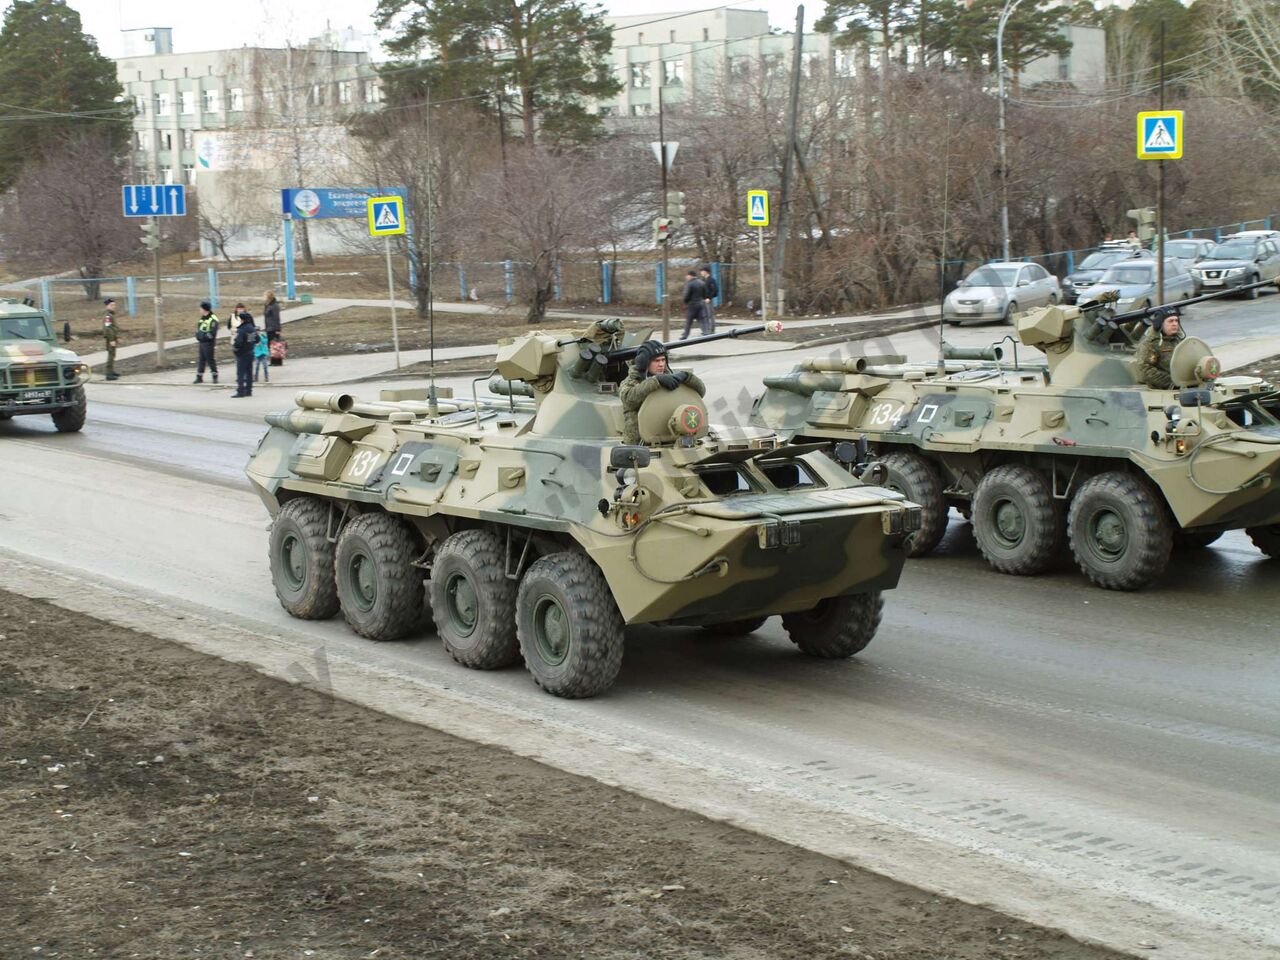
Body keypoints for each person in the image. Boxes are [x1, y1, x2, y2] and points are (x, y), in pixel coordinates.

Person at [620, 339, 706, 445]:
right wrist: (656, 381)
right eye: (656, 361)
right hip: (641, 443)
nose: (661, 364)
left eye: (663, 360)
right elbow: (629, 399)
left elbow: (701, 392)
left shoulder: (671, 378)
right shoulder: (631, 382)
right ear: (644, 363)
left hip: (673, 437)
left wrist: (687, 377)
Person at [1135, 307, 1185, 389]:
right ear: (1160, 323)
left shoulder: (1179, 341)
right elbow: (1145, 370)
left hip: (1183, 385)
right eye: (1170, 321)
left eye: (1176, 320)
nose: (1175, 324)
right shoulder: (1150, 344)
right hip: (1162, 390)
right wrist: (1172, 382)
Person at [231, 310, 258, 398]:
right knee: (249, 373)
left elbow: (238, 342)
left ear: (242, 320)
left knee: (241, 373)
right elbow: (257, 339)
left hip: (242, 354)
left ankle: (240, 391)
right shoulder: (252, 328)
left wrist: (235, 349)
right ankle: (249, 390)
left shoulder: (241, 330)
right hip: (251, 352)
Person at [194, 301, 220, 384]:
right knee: (201, 359)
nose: (200, 309)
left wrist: (203, 336)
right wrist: (198, 336)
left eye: (201, 308)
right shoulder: (202, 318)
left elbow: (212, 333)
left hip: (209, 343)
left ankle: (215, 376)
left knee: (210, 359)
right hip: (202, 342)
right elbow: (198, 329)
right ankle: (199, 377)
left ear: (205, 309)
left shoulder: (213, 319)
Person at [680, 270, 708, 340]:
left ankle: (685, 335)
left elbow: (686, 295)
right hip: (701, 303)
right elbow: (705, 294)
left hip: (692, 304)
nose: (686, 277)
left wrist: (685, 302)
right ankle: (706, 333)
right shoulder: (702, 283)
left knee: (689, 320)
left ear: (690, 276)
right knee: (702, 319)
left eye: (687, 276)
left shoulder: (689, 284)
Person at [101, 298, 120, 381]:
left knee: (113, 355)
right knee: (111, 355)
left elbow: (113, 328)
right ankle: (108, 374)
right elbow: (107, 328)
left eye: (114, 305)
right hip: (110, 338)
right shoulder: (108, 316)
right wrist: (112, 339)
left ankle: (111, 371)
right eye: (111, 305)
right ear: (107, 306)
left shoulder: (111, 315)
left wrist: (116, 337)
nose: (113, 306)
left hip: (113, 337)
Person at [698, 266, 718, 333]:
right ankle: (706, 329)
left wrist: (709, 298)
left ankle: (711, 329)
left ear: (706, 272)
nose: (701, 272)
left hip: (708, 300)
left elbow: (714, 290)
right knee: (705, 315)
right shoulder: (703, 280)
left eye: (702, 271)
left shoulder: (711, 280)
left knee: (710, 315)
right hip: (703, 300)